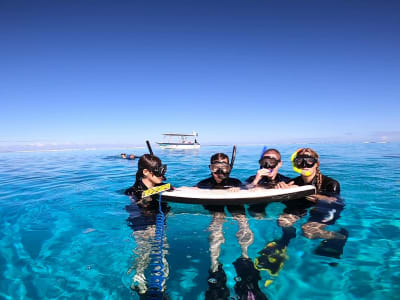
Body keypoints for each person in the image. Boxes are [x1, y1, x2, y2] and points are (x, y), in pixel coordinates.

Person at [255, 148, 347, 280]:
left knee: (307, 231)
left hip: (325, 208)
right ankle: (284, 241)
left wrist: (302, 191)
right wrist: (281, 188)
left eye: (309, 161)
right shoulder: (294, 181)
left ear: (316, 164)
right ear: (296, 164)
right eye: (300, 161)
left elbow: (334, 201)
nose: (304, 165)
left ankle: (339, 236)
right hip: (304, 205)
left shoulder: (331, 184)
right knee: (283, 221)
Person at [197, 153, 266, 300]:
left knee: (243, 221)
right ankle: (214, 267)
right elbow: (189, 191)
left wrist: (245, 189)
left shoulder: (235, 182)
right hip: (216, 211)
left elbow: (251, 188)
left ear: (230, 168)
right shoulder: (205, 184)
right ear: (210, 168)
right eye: (216, 168)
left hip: (236, 209)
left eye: (225, 168)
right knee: (217, 223)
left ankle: (245, 259)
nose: (220, 172)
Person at [124, 154, 170, 299]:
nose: (162, 175)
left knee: (162, 255)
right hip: (142, 225)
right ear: (146, 172)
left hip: (158, 224)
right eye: (158, 171)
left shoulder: (162, 186)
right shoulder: (132, 191)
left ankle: (160, 290)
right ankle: (141, 288)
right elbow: (136, 201)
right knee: (143, 254)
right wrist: (145, 200)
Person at [245, 148, 291, 218]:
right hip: (260, 202)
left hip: (279, 204)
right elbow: (243, 190)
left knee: (286, 220)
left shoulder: (286, 180)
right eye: (264, 162)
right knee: (257, 214)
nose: (268, 166)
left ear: (279, 164)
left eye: (272, 162)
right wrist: (255, 182)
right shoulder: (253, 179)